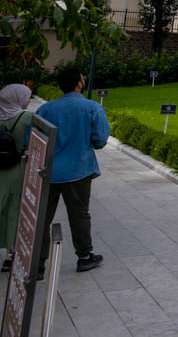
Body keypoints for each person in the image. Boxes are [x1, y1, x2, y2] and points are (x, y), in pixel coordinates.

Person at [36, 67, 109, 275]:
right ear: (79, 83)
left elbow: (33, 140)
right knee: (79, 215)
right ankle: (84, 257)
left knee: (42, 216)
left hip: (48, 171)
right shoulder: (92, 108)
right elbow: (101, 140)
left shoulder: (46, 110)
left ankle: (39, 264)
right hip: (79, 170)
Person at [0, 84, 33, 272]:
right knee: (14, 211)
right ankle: (11, 255)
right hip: (16, 169)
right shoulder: (26, 118)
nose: (28, 100)